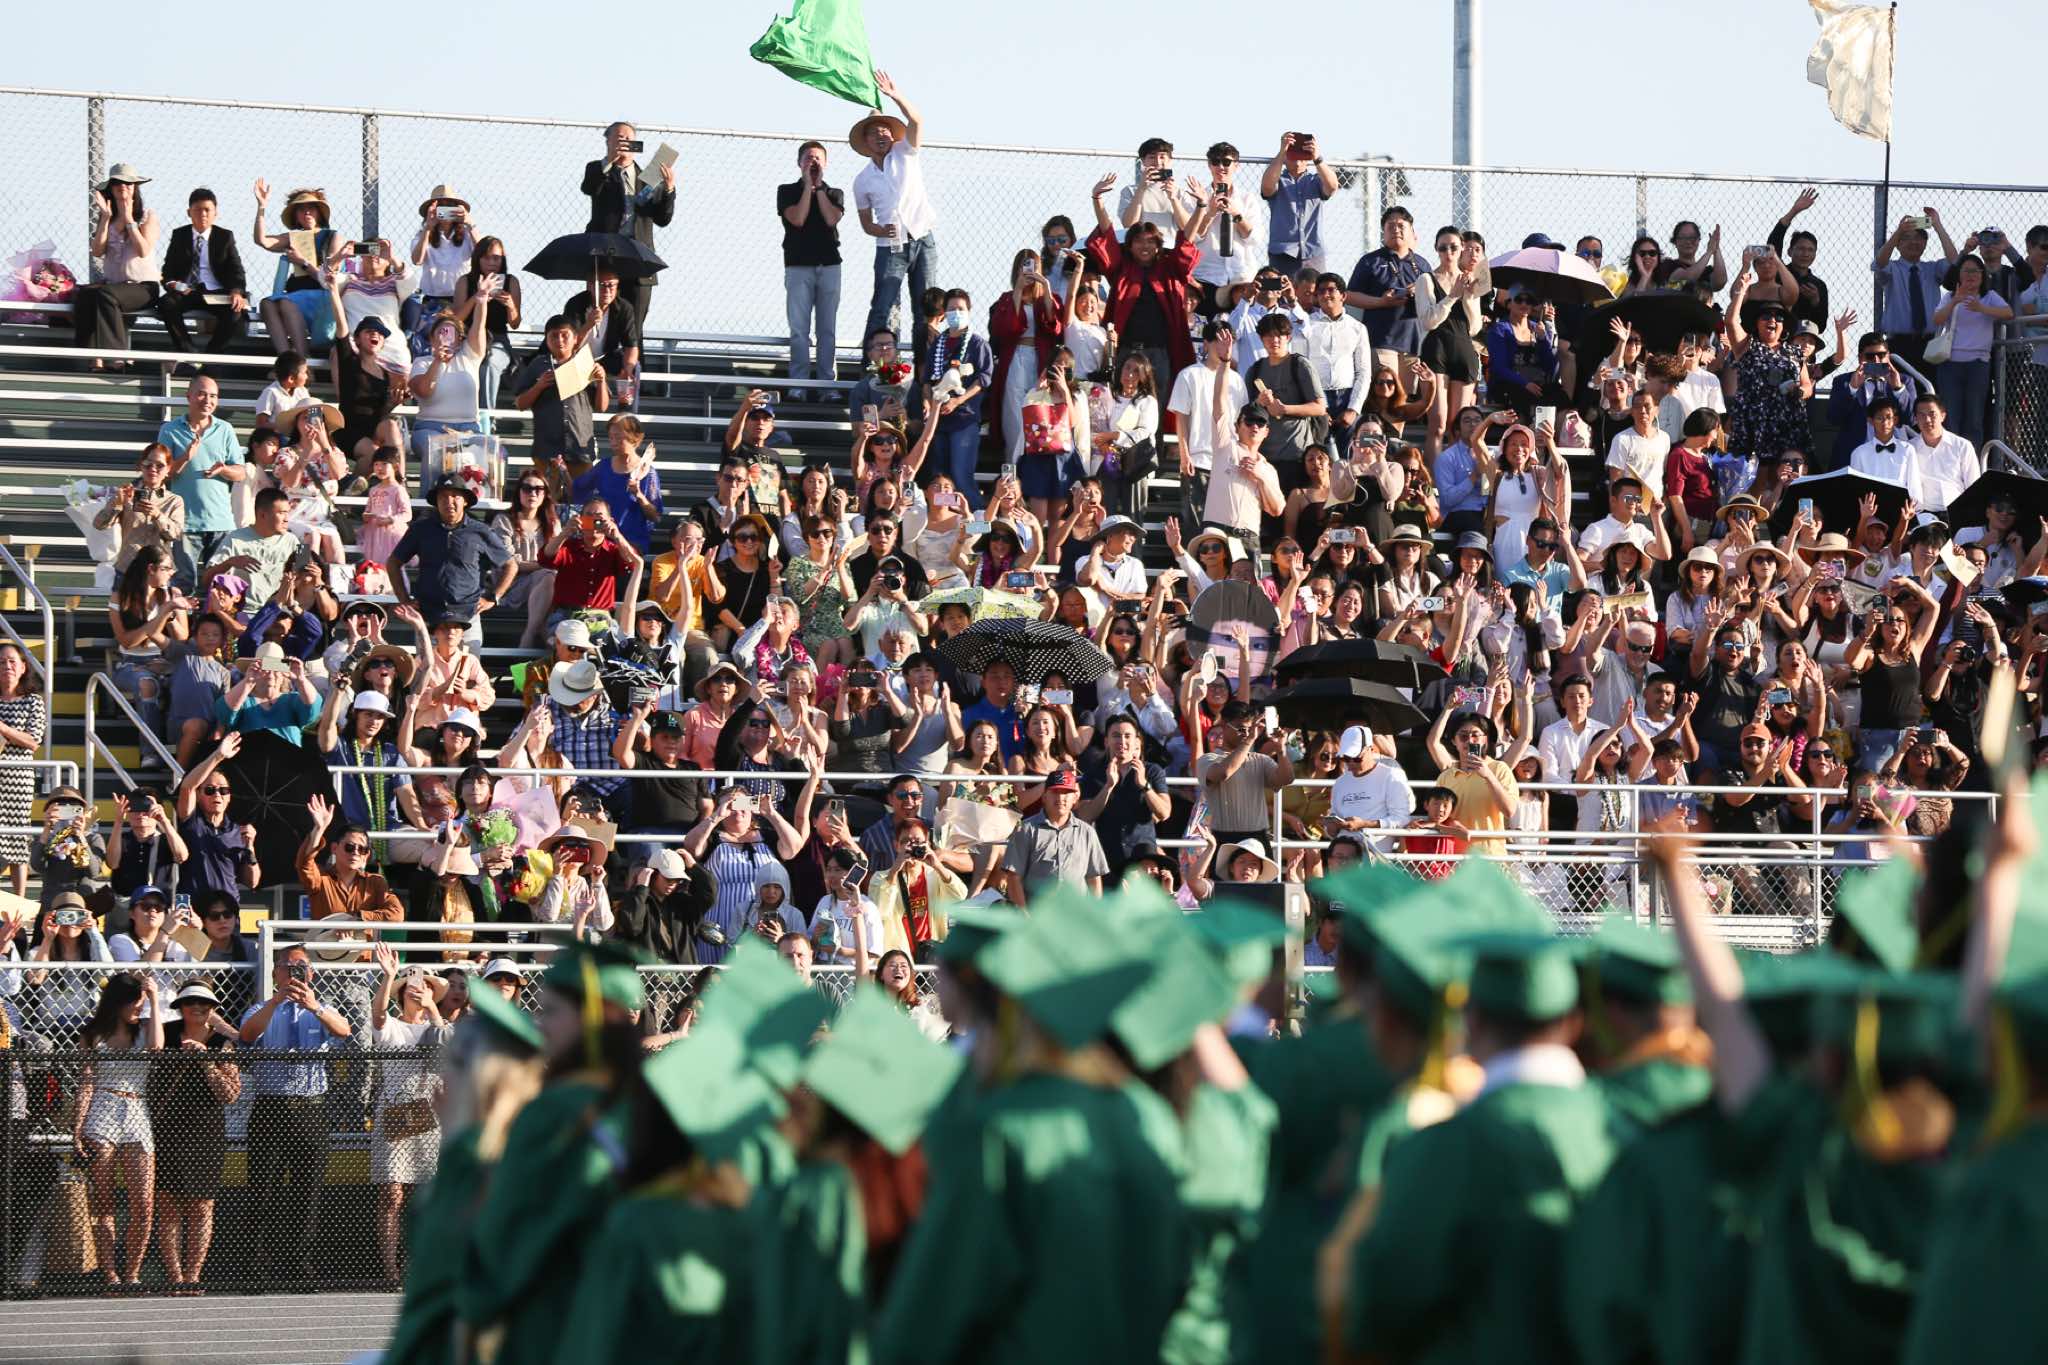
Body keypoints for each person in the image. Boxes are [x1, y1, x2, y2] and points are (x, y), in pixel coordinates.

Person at [237, 943, 352, 1286]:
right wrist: (276, 1002)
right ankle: (255, 1268)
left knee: (307, 1191)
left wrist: (313, 1006)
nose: (293, 973)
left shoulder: (322, 1008)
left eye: (300, 967)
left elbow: (344, 1031)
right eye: (287, 967)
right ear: (275, 973)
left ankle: (299, 1266)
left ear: (311, 973)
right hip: (271, 1107)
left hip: (311, 1109)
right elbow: (247, 1034)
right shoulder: (261, 1007)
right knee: (262, 1189)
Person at [146, 978, 239, 1291]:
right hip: (168, 1129)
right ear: (180, 1007)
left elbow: (230, 1095)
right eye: (190, 1002)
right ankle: (174, 1277)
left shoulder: (222, 1043)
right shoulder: (167, 1033)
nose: (197, 1007)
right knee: (169, 1206)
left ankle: (193, 1275)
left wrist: (207, 1062)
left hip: (206, 1131)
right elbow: (152, 1055)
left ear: (213, 1008)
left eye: (204, 1003)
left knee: (202, 1206)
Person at [72, 972, 165, 1286]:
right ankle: (110, 1273)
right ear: (116, 1002)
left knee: (144, 1202)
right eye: (133, 1002)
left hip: (137, 1108)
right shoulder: (92, 1034)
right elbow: (86, 1082)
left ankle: (132, 1273)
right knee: (104, 1200)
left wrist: (154, 999)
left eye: (141, 1003)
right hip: (102, 1108)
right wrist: (77, 1129)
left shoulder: (145, 1028)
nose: (137, 1008)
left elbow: (157, 1048)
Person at [367, 943, 450, 1285]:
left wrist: (432, 1008)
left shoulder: (439, 1024)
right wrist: (389, 976)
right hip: (396, 1111)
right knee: (392, 1193)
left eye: (426, 985)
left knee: (424, 1195)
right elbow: (377, 1017)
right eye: (414, 985)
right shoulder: (393, 1026)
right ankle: (390, 1269)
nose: (419, 989)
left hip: (430, 1116)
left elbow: (446, 1047)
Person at [851, 72, 936, 339]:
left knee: (927, 307)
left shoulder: (905, 152)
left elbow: (916, 120)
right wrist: (880, 230)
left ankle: (926, 361)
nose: (881, 135)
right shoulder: (862, 181)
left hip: (922, 236)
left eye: (885, 130)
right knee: (884, 307)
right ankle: (878, 360)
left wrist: (895, 95)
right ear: (866, 141)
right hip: (889, 247)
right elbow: (866, 223)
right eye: (874, 133)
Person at [582, 121, 677, 329]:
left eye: (629, 139)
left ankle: (634, 353)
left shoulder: (650, 179)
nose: (624, 142)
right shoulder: (597, 169)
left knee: (634, 327)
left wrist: (669, 189)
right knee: (602, 322)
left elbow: (663, 219)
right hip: (606, 258)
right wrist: (610, 161)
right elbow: (589, 187)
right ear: (608, 142)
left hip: (638, 260)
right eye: (619, 138)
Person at [157, 375, 247, 590]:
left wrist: (223, 470)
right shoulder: (170, 430)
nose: (208, 400)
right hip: (184, 523)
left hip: (220, 523)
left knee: (220, 588)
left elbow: (241, 473)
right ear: (188, 396)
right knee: (183, 586)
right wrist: (185, 457)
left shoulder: (225, 429)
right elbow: (162, 474)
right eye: (202, 394)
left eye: (213, 396)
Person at [385, 477, 516, 625]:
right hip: (428, 614)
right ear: (436, 501)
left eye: (455, 496)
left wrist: (493, 598)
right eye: (443, 496)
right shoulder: (420, 529)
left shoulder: (481, 531)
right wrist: (404, 600)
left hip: (469, 615)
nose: (449, 501)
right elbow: (393, 563)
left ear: (465, 501)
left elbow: (511, 565)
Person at [71, 164, 161, 364]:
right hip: (113, 286)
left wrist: (129, 221)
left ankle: (118, 358)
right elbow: (97, 251)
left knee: (105, 295)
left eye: (129, 183)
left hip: (143, 287)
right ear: (110, 188)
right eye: (118, 183)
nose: (123, 186)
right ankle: (91, 358)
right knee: (85, 295)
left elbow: (143, 250)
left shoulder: (147, 216)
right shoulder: (108, 220)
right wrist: (105, 218)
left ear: (135, 188)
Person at [512, 312, 611, 486]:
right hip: (546, 449)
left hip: (580, 448)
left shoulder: (585, 363)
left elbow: (602, 407)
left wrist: (602, 381)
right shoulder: (538, 365)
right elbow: (520, 403)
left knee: (581, 497)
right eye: (554, 336)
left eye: (565, 335)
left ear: (575, 338)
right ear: (546, 340)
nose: (560, 340)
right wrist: (539, 386)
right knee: (549, 499)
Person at [779, 139, 845, 391]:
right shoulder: (787, 191)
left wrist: (818, 189)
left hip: (829, 265)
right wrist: (807, 186)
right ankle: (799, 383)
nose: (813, 161)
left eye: (818, 157)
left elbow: (831, 218)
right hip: (798, 265)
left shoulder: (834, 193)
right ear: (799, 162)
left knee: (827, 328)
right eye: (808, 157)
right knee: (799, 328)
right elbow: (797, 218)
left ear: (826, 163)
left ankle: (828, 384)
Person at [157, 186, 249, 356]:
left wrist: (236, 292)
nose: (203, 214)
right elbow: (167, 272)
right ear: (189, 212)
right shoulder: (179, 235)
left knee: (236, 311)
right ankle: (189, 353)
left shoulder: (225, 236)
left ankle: (211, 356)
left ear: (216, 213)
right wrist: (175, 285)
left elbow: (236, 270)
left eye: (207, 210)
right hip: (187, 291)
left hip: (216, 292)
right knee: (166, 304)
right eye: (198, 210)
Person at [250, 182, 339, 357]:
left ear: (319, 212)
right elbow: (262, 240)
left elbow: (327, 276)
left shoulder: (333, 236)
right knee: (266, 304)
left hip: (321, 294)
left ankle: (303, 359)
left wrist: (302, 261)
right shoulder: (293, 237)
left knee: (285, 303)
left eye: (311, 208)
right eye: (301, 209)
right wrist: (261, 207)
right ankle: (286, 360)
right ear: (295, 217)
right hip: (296, 293)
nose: (307, 213)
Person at [999, 767, 1109, 901]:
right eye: (1055, 792)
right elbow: (1013, 877)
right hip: (1037, 911)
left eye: (1066, 792)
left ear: (1075, 798)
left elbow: (1094, 878)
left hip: (1076, 912)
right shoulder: (1025, 829)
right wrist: (1023, 912)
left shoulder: (1087, 832)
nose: (1061, 797)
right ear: (1044, 796)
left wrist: (1094, 911)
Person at [1873, 207, 1960, 374]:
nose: (1913, 242)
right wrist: (1898, 231)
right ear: (1897, 244)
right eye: (1906, 238)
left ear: (1925, 243)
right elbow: (1880, 262)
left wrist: (1938, 226)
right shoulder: (1892, 269)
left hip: (1931, 343)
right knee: (1900, 388)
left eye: (1919, 238)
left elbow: (1955, 262)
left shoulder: (1933, 269)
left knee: (1930, 388)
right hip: (1898, 344)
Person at [1344, 205, 1433, 356]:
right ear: (1383, 233)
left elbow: (1433, 300)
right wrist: (1381, 302)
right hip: (1381, 341)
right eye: (1390, 226)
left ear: (1412, 231)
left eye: (1401, 226)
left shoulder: (1422, 264)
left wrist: (1419, 292)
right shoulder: (1370, 261)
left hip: (1416, 344)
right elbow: (1349, 296)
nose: (1396, 230)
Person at [1261, 132, 1340, 274]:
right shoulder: (1278, 180)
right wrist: (1282, 151)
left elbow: (1332, 186)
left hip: (1313, 253)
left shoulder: (1315, 180)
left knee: (1317, 288)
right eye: (1293, 155)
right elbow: (1267, 187)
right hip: (1282, 254)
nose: (1297, 161)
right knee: (1281, 288)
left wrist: (1316, 156)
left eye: (1301, 155)